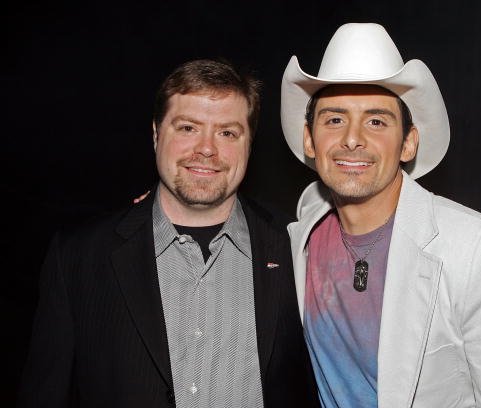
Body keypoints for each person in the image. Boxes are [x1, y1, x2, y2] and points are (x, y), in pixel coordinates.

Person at [280, 23, 481, 407]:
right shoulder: (302, 233)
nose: (352, 138)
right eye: (334, 119)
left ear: (408, 142)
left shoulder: (476, 249)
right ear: (310, 139)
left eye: (376, 121)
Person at [19, 59, 319, 408]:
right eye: (188, 128)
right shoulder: (78, 257)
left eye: (227, 132)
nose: (206, 148)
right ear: (156, 134)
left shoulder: (296, 246)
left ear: (250, 144)